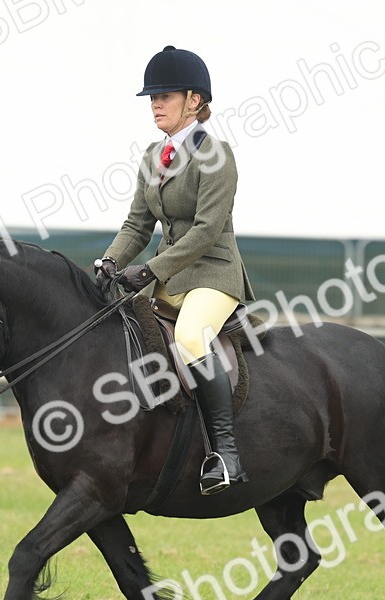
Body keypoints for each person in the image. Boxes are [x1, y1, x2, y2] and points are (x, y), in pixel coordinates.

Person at [95, 46, 255, 496]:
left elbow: (206, 231)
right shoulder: (151, 157)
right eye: (152, 97)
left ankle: (226, 454)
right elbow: (137, 224)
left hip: (213, 275)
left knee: (188, 338)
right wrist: (111, 261)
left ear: (194, 100)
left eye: (165, 95)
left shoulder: (217, 155)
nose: (156, 104)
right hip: (167, 278)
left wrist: (149, 270)